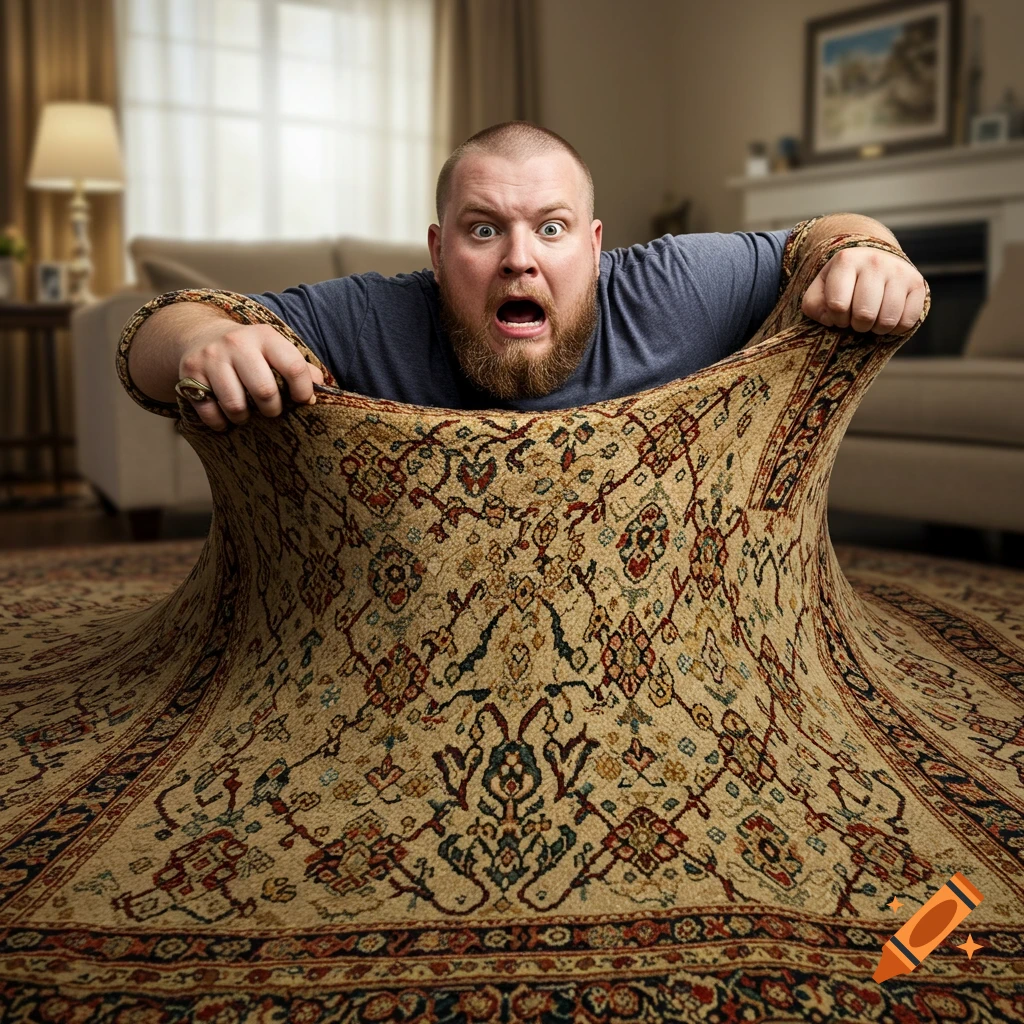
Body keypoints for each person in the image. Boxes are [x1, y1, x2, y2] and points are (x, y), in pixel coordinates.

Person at [127, 122, 926, 431]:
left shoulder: (668, 287)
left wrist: (870, 255)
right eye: (484, 229)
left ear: (594, 245)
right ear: (438, 252)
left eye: (551, 228)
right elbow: (163, 328)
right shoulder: (382, 315)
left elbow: (819, 235)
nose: (520, 257)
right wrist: (208, 341)